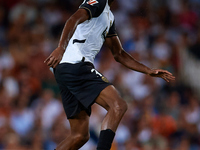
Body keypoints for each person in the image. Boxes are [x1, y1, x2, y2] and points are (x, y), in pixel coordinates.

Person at [44, 0, 175, 149]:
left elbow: (119, 54)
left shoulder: (109, 16)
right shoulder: (98, 1)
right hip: (76, 64)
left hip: (66, 69)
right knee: (118, 105)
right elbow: (73, 19)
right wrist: (61, 48)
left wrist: (148, 70)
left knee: (79, 136)